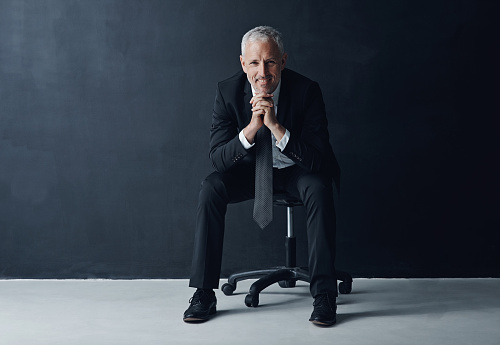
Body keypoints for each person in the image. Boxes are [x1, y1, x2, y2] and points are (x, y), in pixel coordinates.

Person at [183, 26, 340, 327]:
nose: (262, 72)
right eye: (254, 63)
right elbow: (218, 159)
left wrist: (277, 127)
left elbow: (318, 159)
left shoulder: (307, 91)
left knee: (320, 188)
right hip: (251, 172)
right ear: (243, 64)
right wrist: (251, 129)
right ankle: (204, 293)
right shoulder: (227, 92)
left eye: (270, 62)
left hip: (296, 171)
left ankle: (324, 295)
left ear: (283, 61)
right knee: (210, 188)